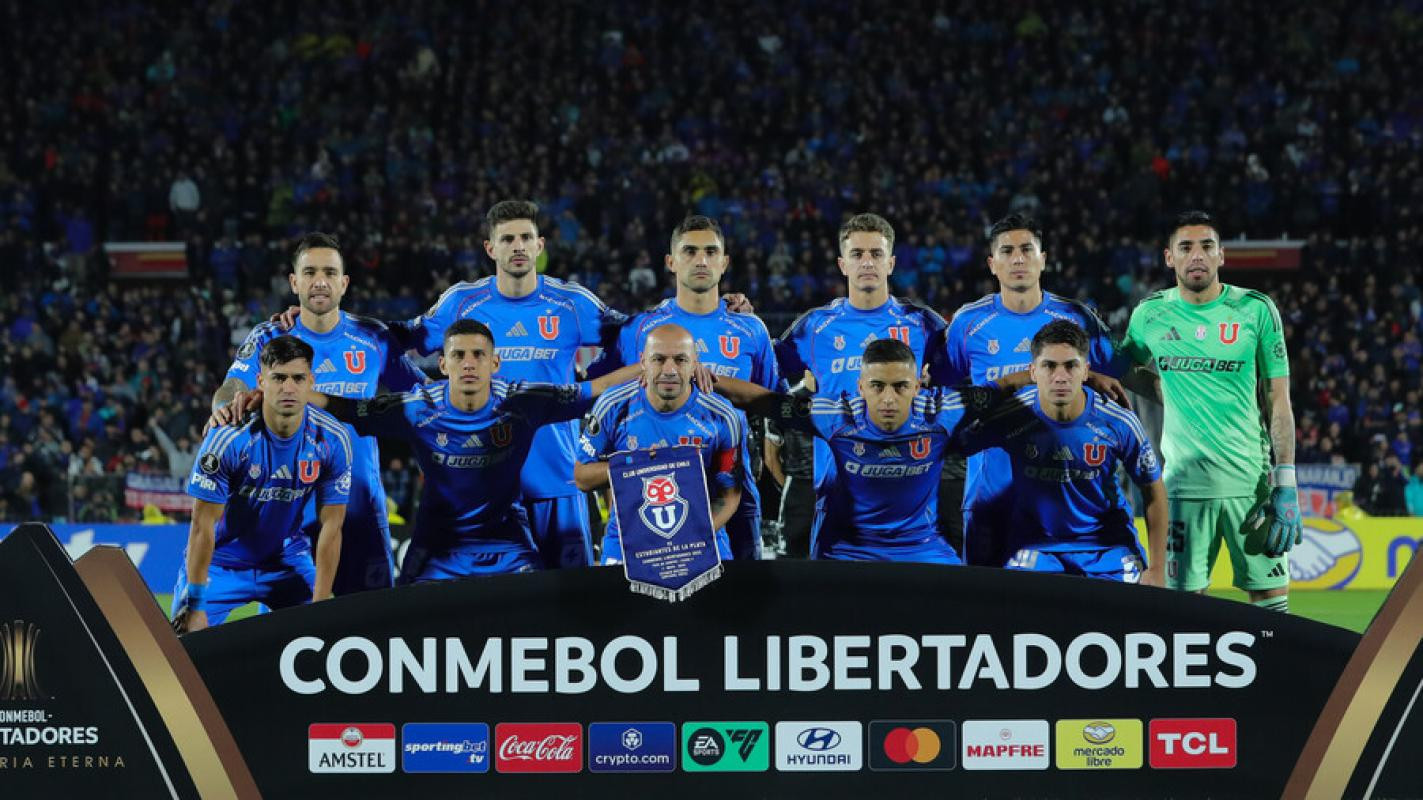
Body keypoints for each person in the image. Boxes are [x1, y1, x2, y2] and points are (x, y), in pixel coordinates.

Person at [218, 319, 642, 582]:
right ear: (443, 365)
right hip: (437, 547)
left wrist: (657, 364)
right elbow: (345, 407)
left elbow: (597, 388)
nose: (469, 363)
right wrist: (278, 394)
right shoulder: (416, 408)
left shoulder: (524, 400)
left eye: (478, 355)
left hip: (508, 543)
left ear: (495, 363)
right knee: (405, 629)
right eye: (459, 355)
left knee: (536, 623)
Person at [392, 201, 629, 569]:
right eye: (507, 239)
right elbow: (394, 340)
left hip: (557, 480)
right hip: (485, 489)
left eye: (525, 238)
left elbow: (637, 337)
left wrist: (594, 377)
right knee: (495, 602)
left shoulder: (571, 303)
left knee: (571, 595)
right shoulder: (462, 303)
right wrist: (424, 390)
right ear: (490, 248)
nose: (518, 246)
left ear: (540, 245)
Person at [214, 233, 427, 596]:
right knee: (289, 628)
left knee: (375, 620)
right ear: (294, 282)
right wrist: (227, 407)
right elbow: (230, 388)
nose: (320, 281)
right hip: (288, 515)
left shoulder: (372, 338)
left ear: (344, 283)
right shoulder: (269, 337)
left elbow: (425, 397)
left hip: (360, 508)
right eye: (310, 272)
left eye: (329, 272)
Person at [1118, 210, 1302, 612]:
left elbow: (1279, 398)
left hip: (1251, 486)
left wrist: (1286, 482)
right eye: (1186, 247)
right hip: (1182, 489)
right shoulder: (1150, 314)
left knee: (1273, 613)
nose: (1197, 255)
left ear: (1222, 255)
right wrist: (1166, 389)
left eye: (1206, 246)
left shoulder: (1256, 309)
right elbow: (1122, 368)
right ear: (1170, 258)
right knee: (1183, 616)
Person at [713, 338, 1009, 562]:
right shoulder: (836, 416)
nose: (888, 398)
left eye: (900, 386)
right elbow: (764, 401)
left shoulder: (942, 411)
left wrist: (1033, 376)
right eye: (877, 386)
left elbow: (1003, 388)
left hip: (922, 548)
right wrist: (705, 377)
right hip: (849, 551)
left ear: (917, 387)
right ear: (861, 387)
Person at [589, 215, 778, 559]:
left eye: (711, 252)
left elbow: (768, 403)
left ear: (724, 262)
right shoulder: (641, 329)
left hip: (731, 487)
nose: (701, 260)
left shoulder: (751, 330)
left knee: (744, 586)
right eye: (690, 251)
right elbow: (602, 396)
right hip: (654, 491)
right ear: (671, 262)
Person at [942, 213, 1126, 567]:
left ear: (1043, 259)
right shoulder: (968, 323)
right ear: (992, 264)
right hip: (989, 497)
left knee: (1058, 601)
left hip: (1063, 502)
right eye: (1007, 251)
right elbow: (943, 391)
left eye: (1027, 250)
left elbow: (1124, 370)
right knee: (985, 600)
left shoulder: (1077, 318)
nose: (1018, 259)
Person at [775, 213, 951, 556]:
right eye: (857, 254)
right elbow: (768, 372)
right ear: (843, 265)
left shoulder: (923, 324)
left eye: (876, 254)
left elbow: (956, 383)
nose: (867, 262)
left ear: (891, 263)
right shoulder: (814, 327)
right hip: (838, 500)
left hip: (910, 503)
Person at [956, 320, 1167, 584]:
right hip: (1037, 548)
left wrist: (1157, 569)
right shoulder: (1014, 414)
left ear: (1086, 371)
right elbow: (951, 440)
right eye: (1049, 366)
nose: (1060, 376)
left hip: (1109, 547)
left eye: (1071, 366)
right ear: (1032, 371)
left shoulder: (1118, 421)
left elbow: (1153, 491)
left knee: (1126, 609)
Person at [173, 336, 351, 633]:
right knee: (181, 643)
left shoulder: (332, 439)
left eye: (298, 378)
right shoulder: (228, 438)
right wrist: (196, 604)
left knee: (328, 637)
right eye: (278, 378)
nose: (288, 388)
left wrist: (320, 606)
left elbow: (332, 526)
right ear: (260, 382)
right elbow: (202, 525)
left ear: (311, 382)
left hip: (286, 561)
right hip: (222, 563)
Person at [576, 324, 746, 563]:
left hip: (700, 539)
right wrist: (638, 463)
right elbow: (582, 477)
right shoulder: (613, 405)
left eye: (680, 360)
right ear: (643, 361)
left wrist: (690, 538)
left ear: (695, 363)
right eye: (659, 359)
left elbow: (729, 496)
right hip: (627, 543)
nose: (669, 370)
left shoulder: (722, 416)